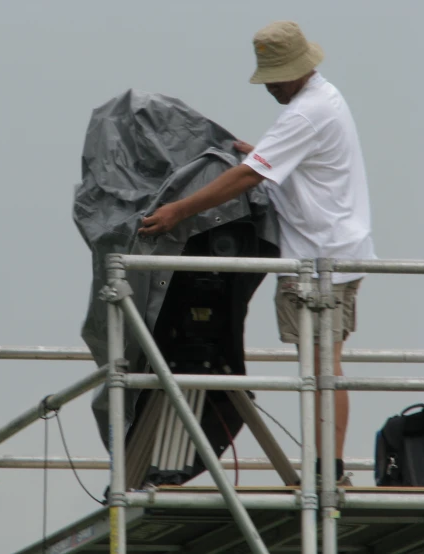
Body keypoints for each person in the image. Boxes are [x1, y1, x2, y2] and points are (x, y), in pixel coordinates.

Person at [138, 20, 376, 485]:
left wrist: (178, 212)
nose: (268, 86)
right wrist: (263, 152)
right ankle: (330, 469)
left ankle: (328, 474)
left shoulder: (304, 114)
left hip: (317, 258)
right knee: (327, 362)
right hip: (342, 246)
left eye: (272, 78)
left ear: (292, 72)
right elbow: (286, 160)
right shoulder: (326, 98)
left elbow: (250, 177)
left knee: (320, 367)